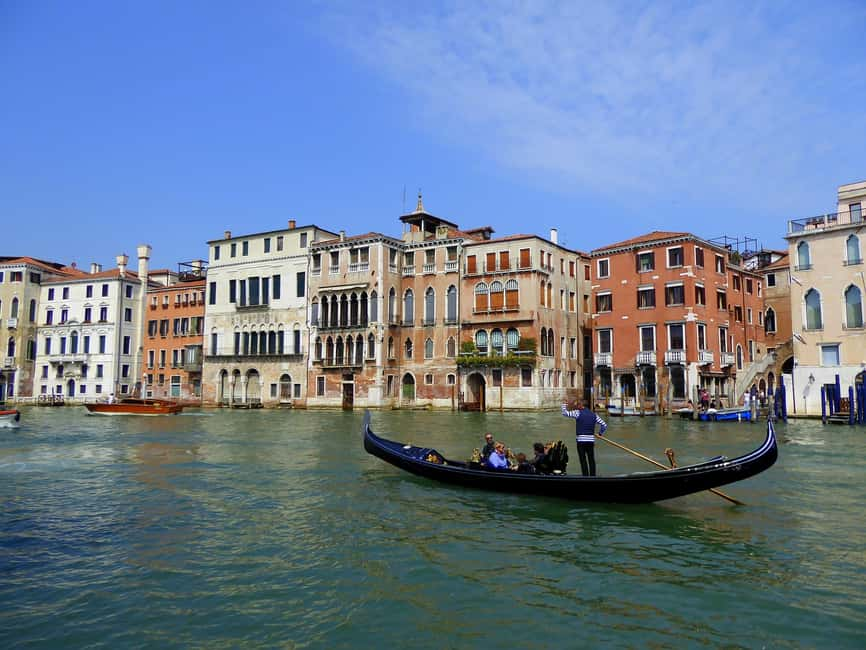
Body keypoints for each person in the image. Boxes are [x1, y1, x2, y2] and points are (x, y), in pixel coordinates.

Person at [562, 399, 607, 477]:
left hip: (581, 441)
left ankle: (585, 476)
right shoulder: (594, 415)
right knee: (591, 459)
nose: (577, 406)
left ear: (582, 405)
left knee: (583, 460)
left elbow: (565, 413)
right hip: (590, 441)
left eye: (578, 404)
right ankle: (593, 476)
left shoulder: (577, 413)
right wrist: (600, 433)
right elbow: (604, 425)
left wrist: (564, 405)